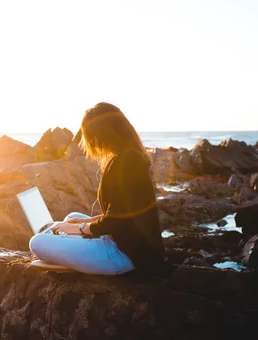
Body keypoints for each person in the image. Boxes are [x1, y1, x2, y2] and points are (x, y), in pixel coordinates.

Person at [29, 102, 169, 276]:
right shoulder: (128, 156)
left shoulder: (126, 162)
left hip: (127, 254)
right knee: (73, 217)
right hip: (125, 243)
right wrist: (81, 223)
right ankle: (75, 255)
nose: (89, 143)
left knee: (37, 242)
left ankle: (74, 261)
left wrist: (78, 229)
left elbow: (117, 221)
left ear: (101, 134)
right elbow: (120, 213)